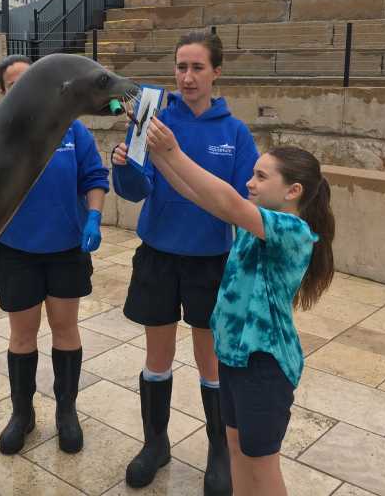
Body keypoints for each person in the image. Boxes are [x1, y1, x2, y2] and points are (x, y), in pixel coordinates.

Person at [145, 121, 335, 496]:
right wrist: (155, 155)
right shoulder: (256, 220)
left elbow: (225, 200)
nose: (250, 182)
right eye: (252, 174)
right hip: (233, 357)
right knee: (237, 451)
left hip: (264, 365)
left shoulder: (291, 231)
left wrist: (174, 151)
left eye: (261, 177)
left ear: (292, 191)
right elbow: (198, 194)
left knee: (262, 468)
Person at [111, 32, 259, 494]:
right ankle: (156, 443)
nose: (187, 77)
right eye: (181, 67)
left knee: (209, 360)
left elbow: (242, 201)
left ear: (217, 72)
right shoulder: (154, 119)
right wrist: (123, 165)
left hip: (210, 262)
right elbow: (134, 192)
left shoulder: (233, 133)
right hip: (158, 256)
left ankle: (218, 451)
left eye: (197, 68)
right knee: (157, 355)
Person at [0, 55, 108, 456]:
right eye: (14, 84)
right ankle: (22, 415)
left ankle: (66, 412)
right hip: (17, 252)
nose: (25, 89)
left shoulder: (73, 131)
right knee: (22, 336)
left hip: (66, 251)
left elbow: (94, 177)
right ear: (3, 93)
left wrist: (93, 216)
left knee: (65, 330)